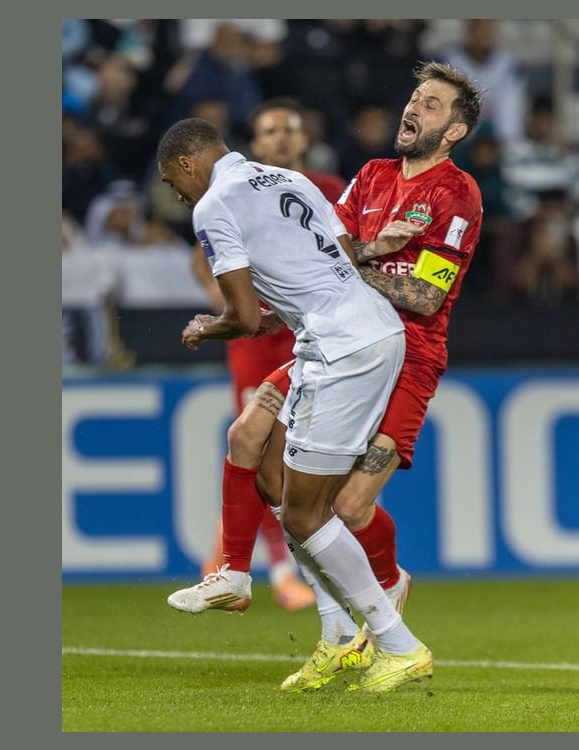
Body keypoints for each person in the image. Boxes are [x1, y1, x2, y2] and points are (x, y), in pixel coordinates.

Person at [170, 62, 483, 692]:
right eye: (414, 96)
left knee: (345, 506)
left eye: (431, 104)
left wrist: (344, 269)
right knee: (253, 442)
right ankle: (333, 630)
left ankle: (387, 589)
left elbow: (423, 295)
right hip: (333, 337)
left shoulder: (457, 195)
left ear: (454, 130)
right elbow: (330, 256)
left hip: (407, 355)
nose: (413, 108)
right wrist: (347, 265)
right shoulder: (370, 177)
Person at [188, 98, 347, 613]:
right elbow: (202, 257)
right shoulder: (235, 190)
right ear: (255, 143)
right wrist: (230, 305)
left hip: (316, 335)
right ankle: (280, 574)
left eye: (289, 130)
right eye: (270, 131)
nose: (280, 138)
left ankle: (226, 560)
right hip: (258, 344)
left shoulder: (325, 187)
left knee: (303, 456)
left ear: (303, 139)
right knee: (260, 447)